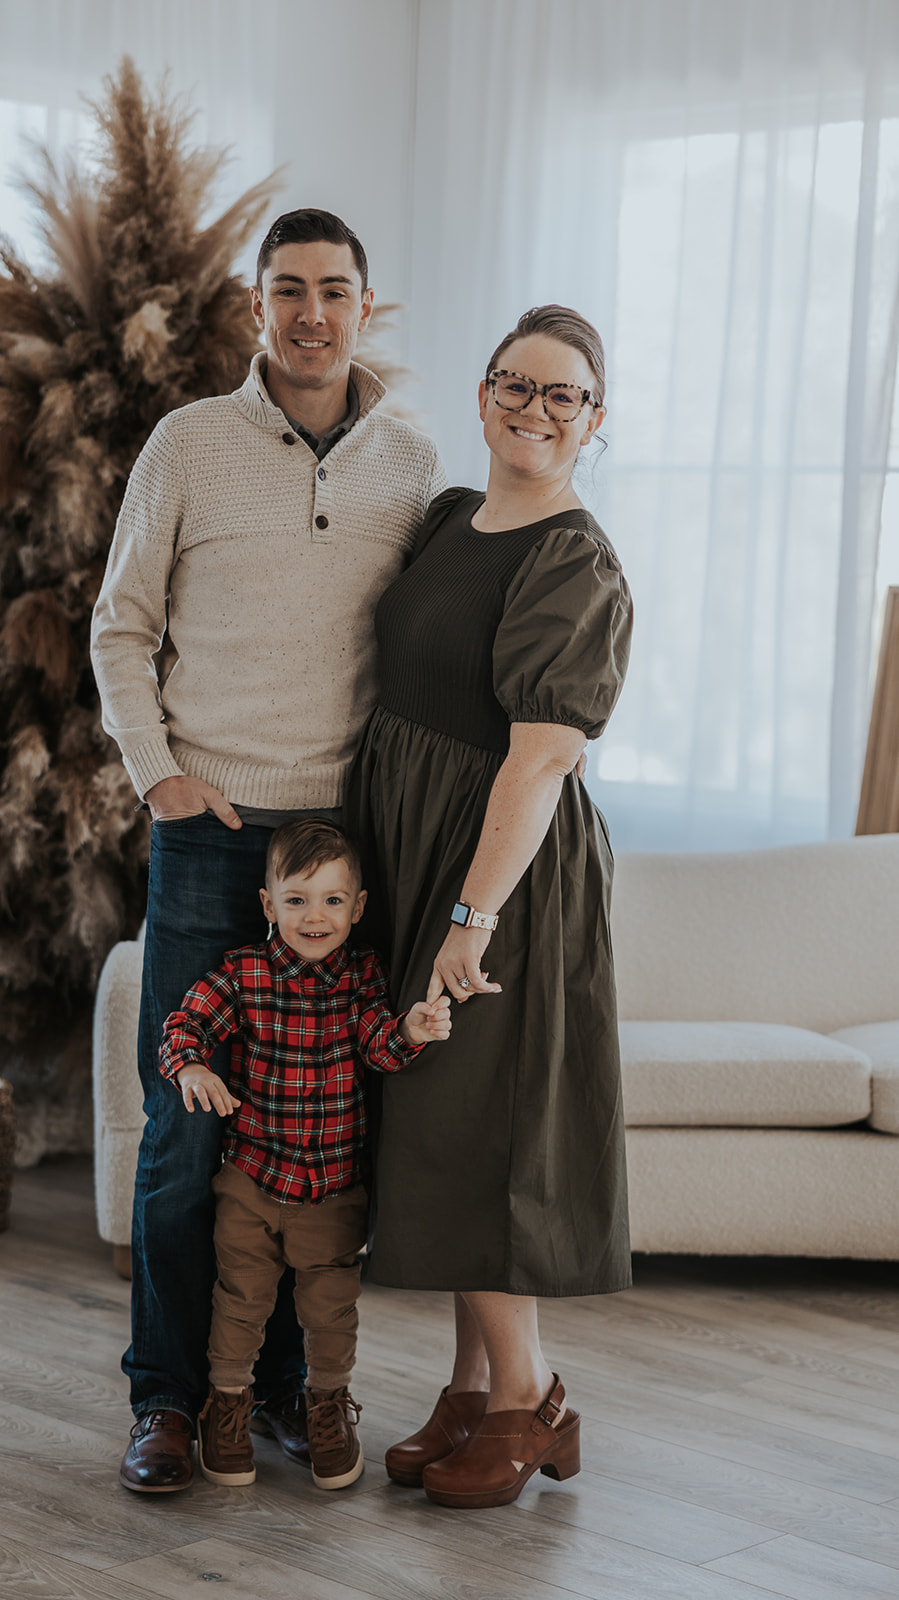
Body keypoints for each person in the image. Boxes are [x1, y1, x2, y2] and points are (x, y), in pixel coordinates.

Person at [90, 209, 447, 1493]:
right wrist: (161, 778)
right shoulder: (186, 444)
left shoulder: (409, 461)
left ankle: (290, 1392)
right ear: (255, 309)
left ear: (365, 306)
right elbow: (118, 626)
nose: (310, 313)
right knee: (187, 1136)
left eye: (333, 291)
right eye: (286, 290)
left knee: (321, 1133)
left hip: (340, 857)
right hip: (207, 837)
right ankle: (169, 1404)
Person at [343, 304, 633, 1511]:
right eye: (515, 383)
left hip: (501, 876)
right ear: (482, 392)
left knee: (481, 1122)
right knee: (433, 1122)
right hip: (418, 851)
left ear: (594, 420)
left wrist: (470, 922)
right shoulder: (451, 517)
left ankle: (528, 1401)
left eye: (562, 394)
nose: (532, 407)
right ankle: (466, 1387)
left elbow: (537, 761)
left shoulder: (573, 559)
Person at [157, 818, 451, 1491]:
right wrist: (192, 1068)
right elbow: (186, 1022)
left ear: (358, 907)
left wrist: (411, 1028)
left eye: (330, 900)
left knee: (331, 1310)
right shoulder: (245, 972)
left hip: (333, 1190)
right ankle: (225, 1407)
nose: (313, 917)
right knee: (239, 1302)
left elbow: (379, 1046)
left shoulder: (362, 977)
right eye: (296, 900)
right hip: (253, 1180)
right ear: (268, 906)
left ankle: (327, 1407)